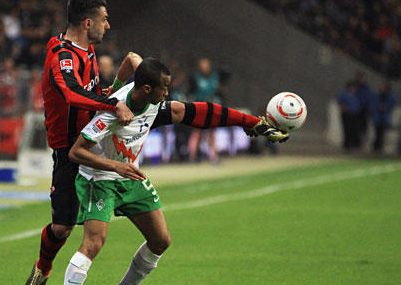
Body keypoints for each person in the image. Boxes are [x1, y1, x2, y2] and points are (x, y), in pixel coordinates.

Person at [63, 58, 289, 285]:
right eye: (165, 87)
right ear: (148, 88)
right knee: (94, 243)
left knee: (160, 241)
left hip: (130, 176)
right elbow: (76, 152)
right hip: (100, 178)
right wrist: (117, 166)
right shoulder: (112, 113)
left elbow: (133, 58)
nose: (168, 92)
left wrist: (249, 122)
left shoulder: (148, 95)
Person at [25, 0, 135, 284]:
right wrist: (113, 104)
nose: (107, 26)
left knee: (99, 232)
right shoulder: (62, 54)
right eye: (104, 19)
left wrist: (113, 95)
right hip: (69, 151)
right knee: (61, 228)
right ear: (88, 22)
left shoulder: (87, 52)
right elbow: (73, 94)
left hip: (94, 146)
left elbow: (91, 94)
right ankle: (41, 272)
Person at [188, 57, 221, 163]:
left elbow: (218, 92)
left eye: (206, 65)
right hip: (199, 109)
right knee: (197, 132)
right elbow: (190, 92)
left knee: (212, 133)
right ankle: (192, 157)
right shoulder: (195, 78)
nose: (205, 67)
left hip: (212, 109)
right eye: (203, 65)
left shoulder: (214, 78)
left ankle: (214, 157)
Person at [371, 81, 396, 152]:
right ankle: (376, 147)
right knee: (377, 133)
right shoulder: (378, 95)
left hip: (384, 117)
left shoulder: (390, 96)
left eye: (384, 86)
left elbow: (392, 104)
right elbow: (374, 104)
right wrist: (379, 107)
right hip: (377, 117)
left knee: (382, 133)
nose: (382, 88)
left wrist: (386, 107)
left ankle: (380, 147)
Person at [337, 81, 361, 151]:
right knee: (347, 130)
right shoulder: (344, 94)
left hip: (354, 114)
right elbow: (340, 103)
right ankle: (347, 145)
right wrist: (344, 108)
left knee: (354, 130)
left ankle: (353, 144)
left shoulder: (355, 95)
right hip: (347, 114)